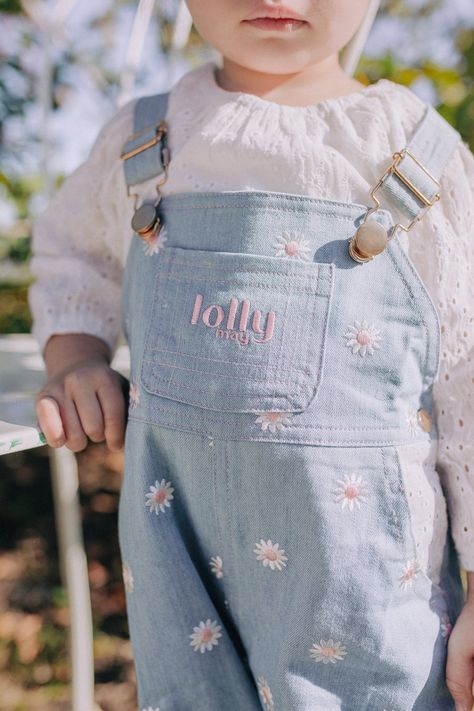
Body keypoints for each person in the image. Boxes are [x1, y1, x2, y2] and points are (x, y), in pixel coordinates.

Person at [29, 1, 474, 709]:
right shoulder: (146, 138)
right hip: (184, 583)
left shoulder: (416, 150)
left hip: (367, 603)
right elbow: (73, 260)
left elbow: (467, 384)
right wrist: (76, 357)